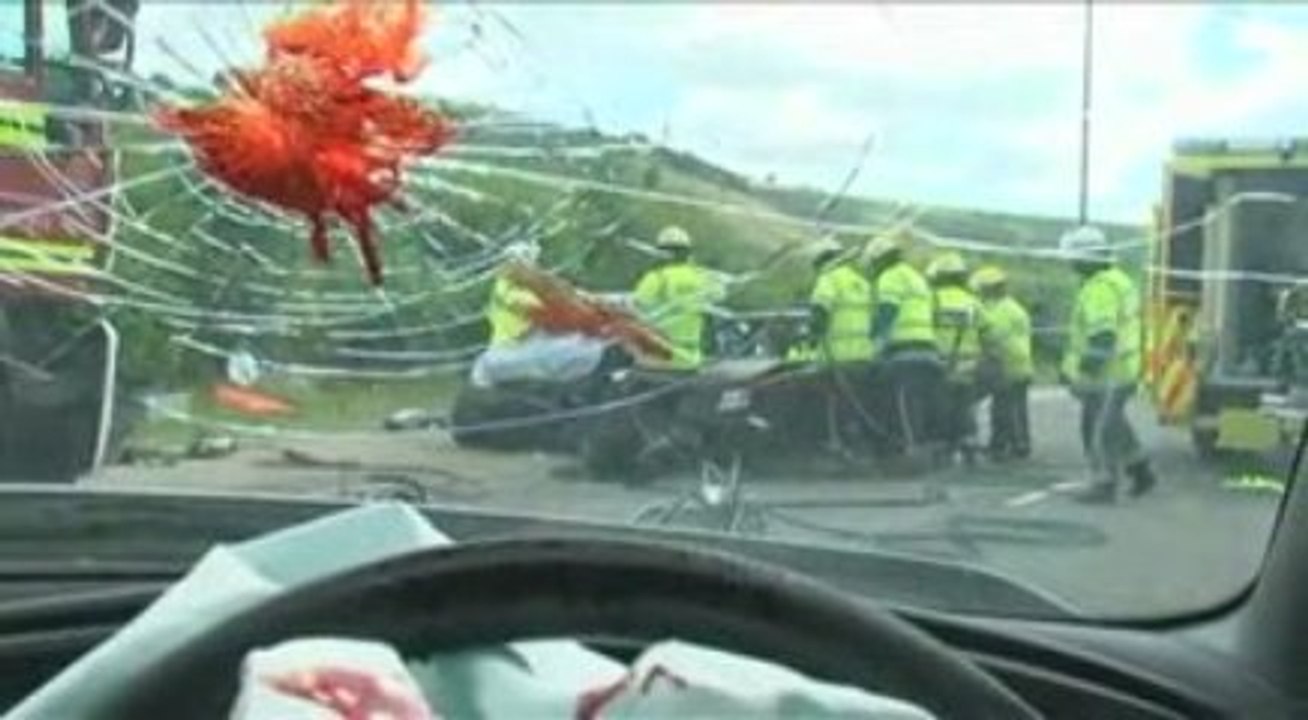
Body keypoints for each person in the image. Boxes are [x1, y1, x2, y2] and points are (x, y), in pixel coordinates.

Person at [1059, 225, 1157, 503]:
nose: (1070, 263)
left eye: (1073, 257)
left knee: (1097, 430)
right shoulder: (1119, 280)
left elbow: (1102, 336)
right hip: (1123, 370)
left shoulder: (1099, 289)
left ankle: (1104, 483)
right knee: (1115, 425)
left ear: (1085, 257)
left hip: (1106, 374)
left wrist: (1083, 373)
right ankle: (1140, 469)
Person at [862, 230, 941, 456]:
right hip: (927, 347)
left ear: (878, 259)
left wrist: (870, 337)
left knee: (901, 401)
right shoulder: (916, 277)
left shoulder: (890, 277)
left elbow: (888, 311)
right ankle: (924, 443)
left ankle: (908, 447)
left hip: (904, 349)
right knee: (920, 401)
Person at [808, 237, 876, 451]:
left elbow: (820, 311)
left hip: (838, 357)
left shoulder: (828, 279)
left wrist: (813, 334)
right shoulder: (863, 283)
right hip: (865, 357)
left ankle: (837, 445)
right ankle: (860, 446)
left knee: (833, 404)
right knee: (859, 404)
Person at [925, 251, 987, 466]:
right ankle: (968, 443)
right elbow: (986, 330)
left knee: (941, 407)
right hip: (968, 364)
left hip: (939, 363)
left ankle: (942, 448)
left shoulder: (931, 298)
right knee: (964, 406)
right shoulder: (973, 302)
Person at [632, 226, 722, 370]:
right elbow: (717, 302)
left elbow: (634, 310)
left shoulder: (656, 278)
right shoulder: (702, 277)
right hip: (691, 360)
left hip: (658, 360)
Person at [973, 265, 1033, 461]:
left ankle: (1005, 445)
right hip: (1020, 362)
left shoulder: (1000, 311)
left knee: (1004, 408)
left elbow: (992, 336)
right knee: (1014, 406)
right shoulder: (1012, 306)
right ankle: (1019, 443)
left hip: (1009, 363)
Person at [485, 241, 543, 347]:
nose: (534, 265)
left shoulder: (523, 285)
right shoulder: (505, 285)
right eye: (530, 261)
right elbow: (531, 304)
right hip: (509, 349)